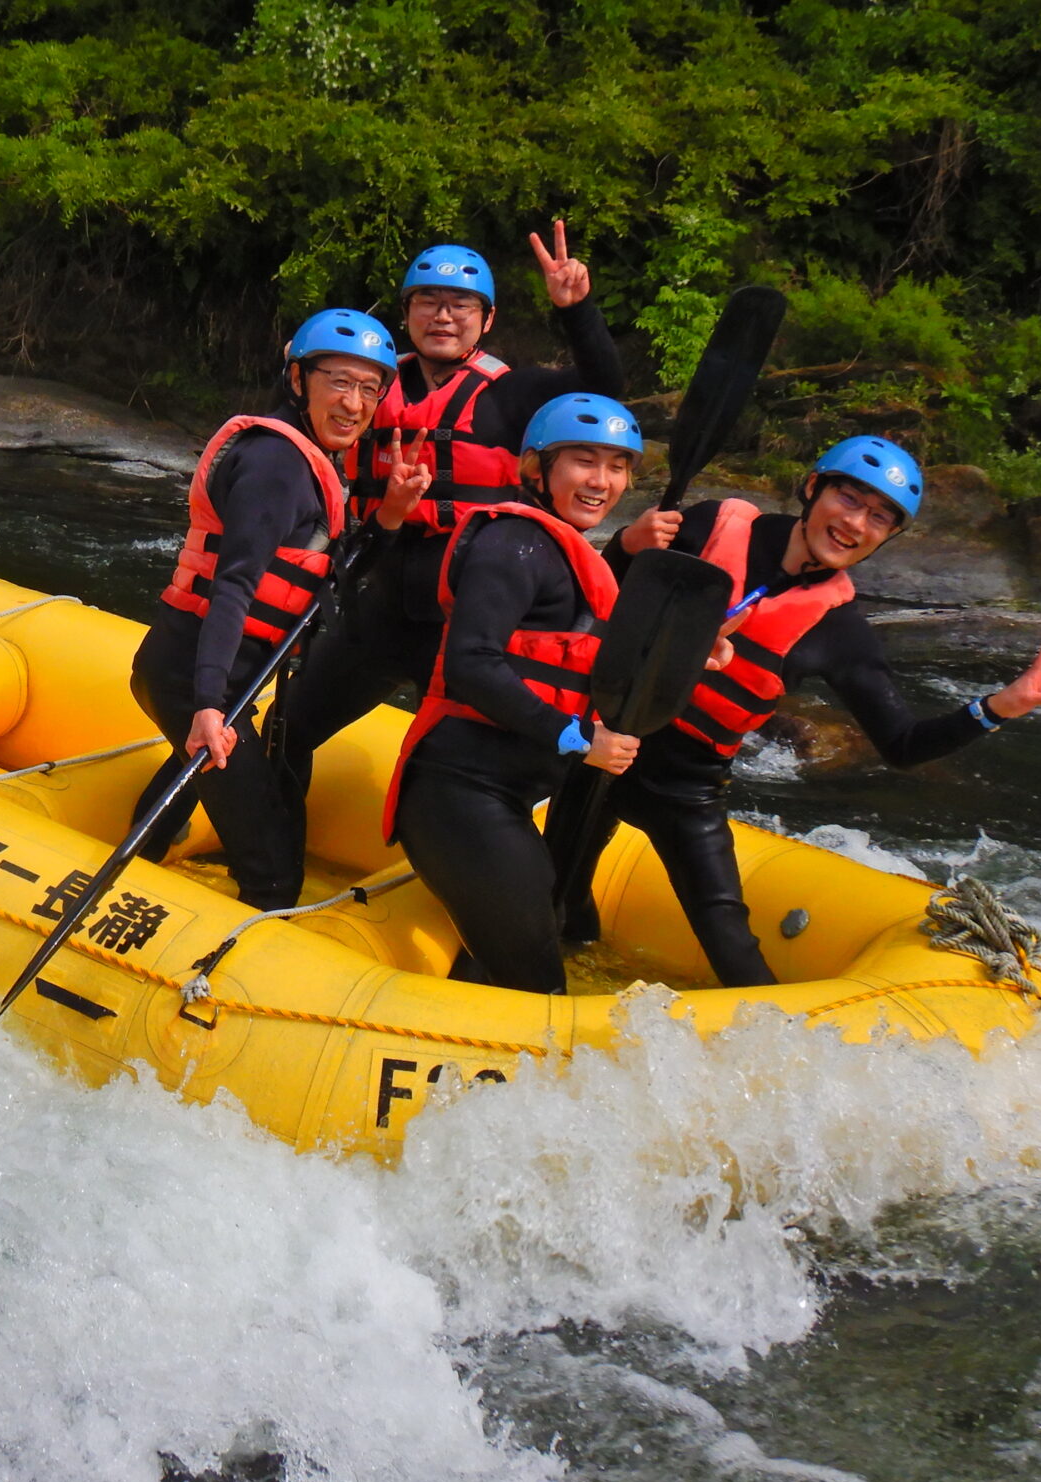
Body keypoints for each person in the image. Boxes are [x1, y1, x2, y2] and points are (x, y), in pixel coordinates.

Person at [545, 435, 1041, 986]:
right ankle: (572, 980)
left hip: (683, 786)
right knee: (561, 892)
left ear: (888, 537)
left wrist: (999, 707)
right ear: (813, 487)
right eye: (849, 499)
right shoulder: (709, 526)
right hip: (601, 744)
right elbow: (595, 604)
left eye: (879, 518)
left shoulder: (840, 632)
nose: (855, 523)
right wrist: (625, 546)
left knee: (730, 943)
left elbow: (902, 745)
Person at [278, 225, 671, 758]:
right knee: (287, 733)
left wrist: (576, 309)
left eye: (461, 305)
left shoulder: (511, 396)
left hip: (467, 625)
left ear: (486, 320)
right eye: (428, 302)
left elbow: (603, 386)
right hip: (377, 609)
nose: (443, 316)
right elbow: (299, 409)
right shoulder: (369, 384)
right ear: (406, 313)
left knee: (447, 762)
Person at [130, 310, 426, 912]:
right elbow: (234, 585)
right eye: (339, 382)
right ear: (297, 379)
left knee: (189, 790)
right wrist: (208, 705)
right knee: (273, 869)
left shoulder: (309, 458)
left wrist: (391, 514)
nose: (354, 403)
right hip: (196, 678)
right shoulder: (275, 463)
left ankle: (139, 862)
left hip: (210, 676)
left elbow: (331, 573)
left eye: (370, 389)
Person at [383, 394, 649, 993]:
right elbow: (471, 664)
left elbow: (583, 658)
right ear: (536, 468)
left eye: (617, 466)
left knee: (512, 961)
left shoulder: (564, 552)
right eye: (584, 461)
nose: (601, 481)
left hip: (503, 798)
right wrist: (578, 739)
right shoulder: (512, 543)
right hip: (458, 799)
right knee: (539, 990)